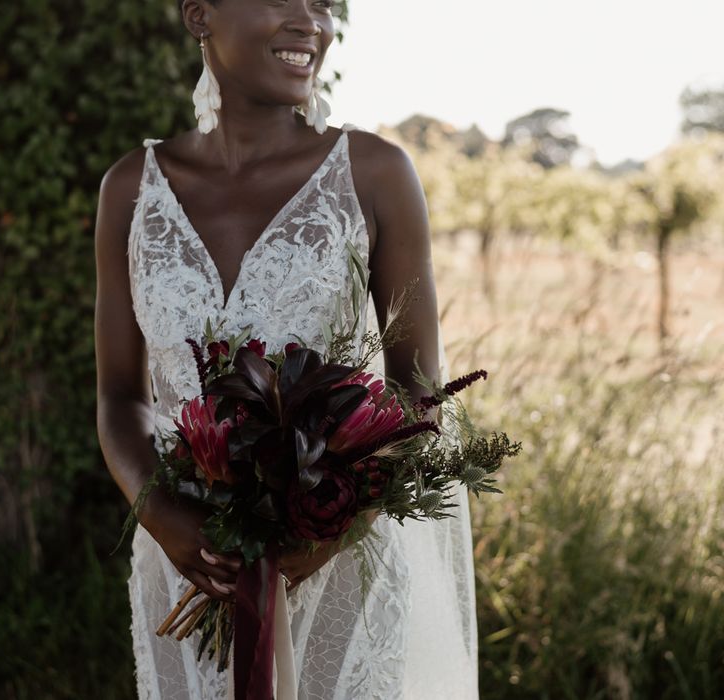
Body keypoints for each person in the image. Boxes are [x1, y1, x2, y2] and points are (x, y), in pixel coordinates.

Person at [95, 1, 479, 697]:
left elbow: (418, 388)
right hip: (189, 569)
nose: (313, 22)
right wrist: (163, 519)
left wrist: (331, 528)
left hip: (342, 569)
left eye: (324, 3)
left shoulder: (375, 172)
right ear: (199, 14)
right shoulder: (130, 188)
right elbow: (121, 395)